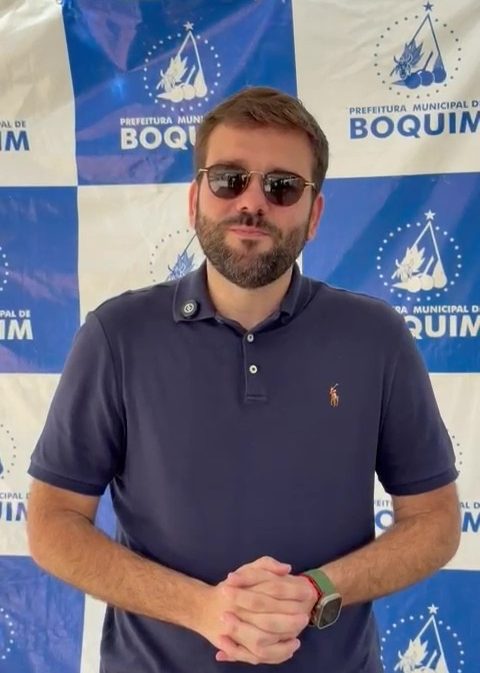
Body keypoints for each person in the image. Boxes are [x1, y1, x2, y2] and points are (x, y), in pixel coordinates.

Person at [27, 86, 460, 673]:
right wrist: (205, 610)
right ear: (195, 199)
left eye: (282, 187)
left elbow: (435, 520)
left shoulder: (375, 336)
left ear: (314, 215)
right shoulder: (117, 335)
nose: (252, 203)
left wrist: (317, 591)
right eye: (229, 180)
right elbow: (52, 522)